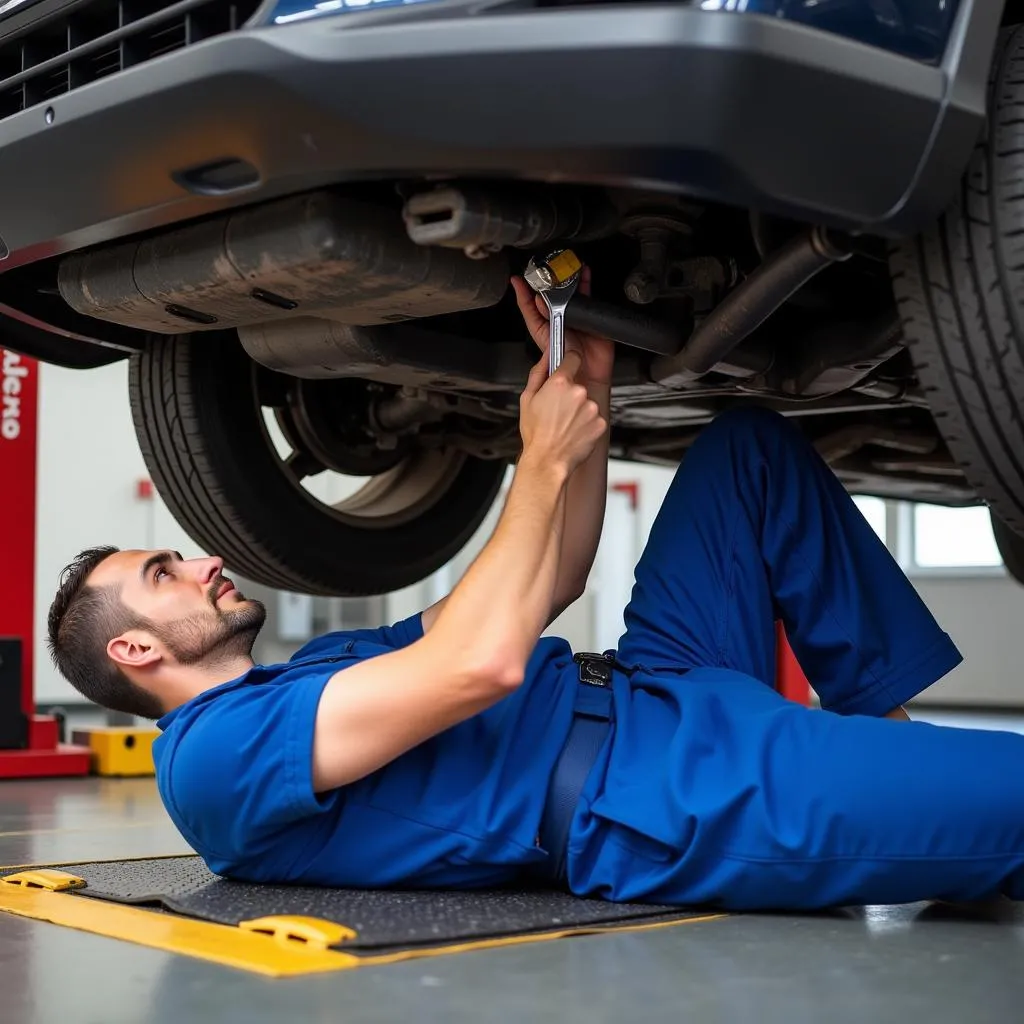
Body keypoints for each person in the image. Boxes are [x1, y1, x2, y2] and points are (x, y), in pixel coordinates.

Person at [45, 272, 1024, 912]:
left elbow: (537, 586)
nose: (203, 562)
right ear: (135, 651)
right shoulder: (211, 761)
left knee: (745, 450)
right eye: (163, 574)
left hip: (654, 683)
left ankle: (889, 752)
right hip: (651, 794)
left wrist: (575, 401)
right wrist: (540, 460)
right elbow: (483, 661)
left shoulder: (309, 673)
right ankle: (911, 796)